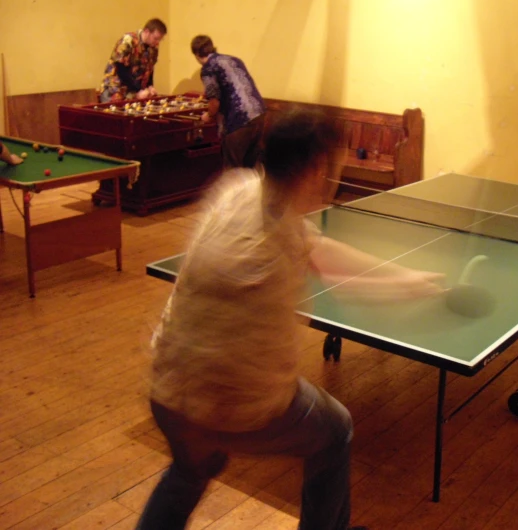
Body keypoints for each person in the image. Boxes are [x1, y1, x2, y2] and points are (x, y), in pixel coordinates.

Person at [135, 110, 444, 530]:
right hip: (236, 403)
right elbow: (344, 279)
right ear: (317, 169)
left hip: (167, 388)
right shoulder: (282, 239)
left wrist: (405, 275)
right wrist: (411, 285)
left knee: (191, 469)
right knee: (336, 431)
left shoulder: (237, 189)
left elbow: (318, 248)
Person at [191, 35, 266, 170]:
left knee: (232, 170)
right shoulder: (233, 59)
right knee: (251, 169)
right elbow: (232, 85)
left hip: (239, 120)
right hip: (259, 114)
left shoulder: (208, 69)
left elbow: (215, 102)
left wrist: (207, 116)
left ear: (196, 54)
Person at [98, 18, 167, 103]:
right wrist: (138, 90)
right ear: (146, 31)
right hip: (115, 90)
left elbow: (150, 68)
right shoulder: (128, 41)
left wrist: (150, 86)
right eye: (155, 38)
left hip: (134, 92)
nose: (157, 42)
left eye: (160, 39)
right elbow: (121, 70)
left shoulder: (153, 47)